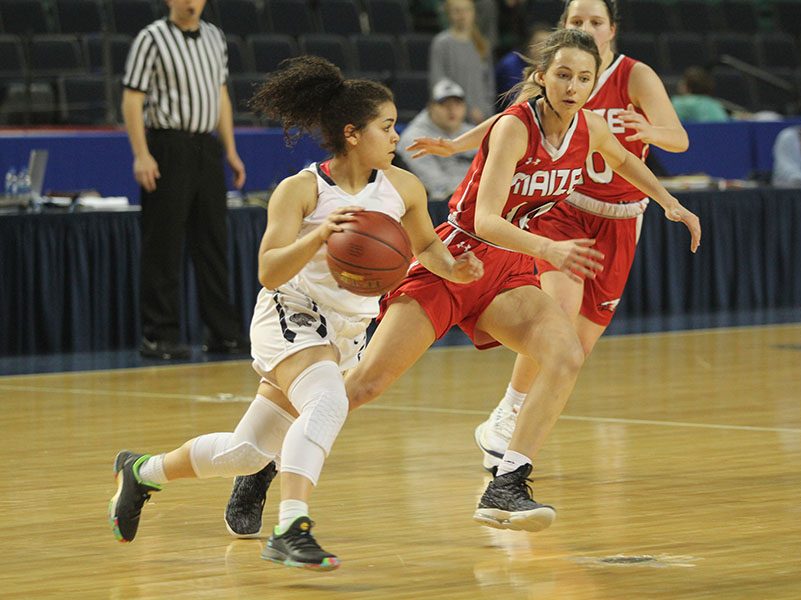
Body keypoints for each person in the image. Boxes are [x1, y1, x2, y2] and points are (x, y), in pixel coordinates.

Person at [226, 27, 700, 537]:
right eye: (563, 75)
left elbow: (625, 160)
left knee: (565, 353)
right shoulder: (517, 127)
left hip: (508, 271)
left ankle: (509, 482)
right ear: (542, 79)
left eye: (584, 78)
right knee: (360, 388)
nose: (573, 85)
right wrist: (547, 248)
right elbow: (487, 221)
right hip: (452, 257)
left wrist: (669, 202)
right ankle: (263, 465)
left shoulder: (589, 128)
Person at [108, 56, 484, 570]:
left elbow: (425, 247)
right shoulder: (301, 190)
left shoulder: (404, 188)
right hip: (292, 312)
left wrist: (454, 269)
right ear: (352, 134)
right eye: (387, 126)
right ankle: (292, 526)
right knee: (328, 403)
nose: (396, 136)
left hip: (350, 328)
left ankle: (141, 472)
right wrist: (320, 236)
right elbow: (268, 270)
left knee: (248, 453)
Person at [407, 0, 698, 472]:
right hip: (565, 207)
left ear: (611, 30)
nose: (585, 27)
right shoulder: (560, 70)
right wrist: (458, 143)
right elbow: (514, 116)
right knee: (556, 317)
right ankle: (508, 415)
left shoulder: (633, 75)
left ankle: (514, 430)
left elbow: (675, 139)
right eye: (577, 21)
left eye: (595, 22)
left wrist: (652, 137)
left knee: (576, 349)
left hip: (622, 216)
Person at [122, 0, 248, 360]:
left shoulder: (215, 37)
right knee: (163, 243)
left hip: (205, 147)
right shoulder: (151, 38)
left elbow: (221, 95)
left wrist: (231, 150)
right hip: (167, 143)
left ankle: (223, 332)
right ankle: (158, 334)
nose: (190, 1)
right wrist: (141, 153)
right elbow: (132, 98)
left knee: (213, 242)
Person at [397, 79, 476, 205]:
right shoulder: (414, 138)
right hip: (439, 207)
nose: (452, 110)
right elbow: (438, 187)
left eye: (457, 104)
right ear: (431, 107)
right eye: (445, 105)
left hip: (472, 197)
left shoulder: (471, 132)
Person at [430, 0, 496, 123]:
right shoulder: (441, 43)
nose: (462, 15)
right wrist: (467, 109)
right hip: (455, 116)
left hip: (482, 115)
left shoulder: (481, 43)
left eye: (466, 10)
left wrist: (486, 110)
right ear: (448, 14)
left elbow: (489, 83)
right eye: (457, 11)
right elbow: (438, 81)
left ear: (473, 13)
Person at [495, 23, 553, 110]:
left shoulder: (549, 67)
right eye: (539, 43)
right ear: (529, 45)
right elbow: (514, 101)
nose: (543, 48)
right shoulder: (510, 64)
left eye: (547, 44)